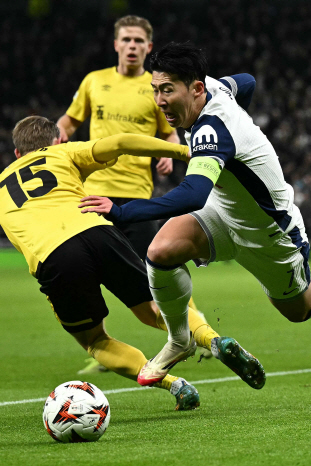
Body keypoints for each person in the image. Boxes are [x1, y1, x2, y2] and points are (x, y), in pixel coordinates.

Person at [80, 42, 311, 387]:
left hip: (270, 234)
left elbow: (193, 194)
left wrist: (122, 211)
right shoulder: (213, 88)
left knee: (300, 310)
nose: (160, 100)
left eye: (167, 90)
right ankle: (180, 339)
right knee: (160, 251)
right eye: (155, 89)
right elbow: (248, 81)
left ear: (196, 88)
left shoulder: (213, 129)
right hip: (222, 212)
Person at [0, 116, 227, 410]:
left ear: (17, 153)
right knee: (155, 310)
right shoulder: (63, 153)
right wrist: (185, 152)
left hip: (56, 257)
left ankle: (174, 384)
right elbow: (121, 142)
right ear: (56, 140)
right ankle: (213, 340)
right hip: (100, 232)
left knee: (96, 340)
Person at [57, 15, 209, 374]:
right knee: (84, 274)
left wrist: (168, 152)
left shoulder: (157, 86)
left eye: (139, 41)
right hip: (91, 196)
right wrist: (58, 135)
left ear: (148, 47)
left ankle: (199, 329)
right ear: (115, 44)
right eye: (126, 39)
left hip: (137, 199)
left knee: (153, 274)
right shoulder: (94, 82)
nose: (132, 46)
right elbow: (68, 121)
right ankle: (103, 345)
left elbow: (169, 133)